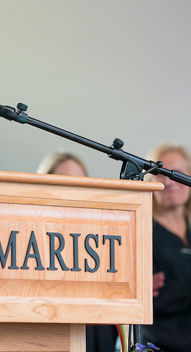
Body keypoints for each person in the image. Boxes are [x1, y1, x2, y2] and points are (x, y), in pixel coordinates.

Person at [38, 151, 118, 352]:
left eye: (79, 181)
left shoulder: (103, 232)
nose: (73, 188)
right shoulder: (32, 232)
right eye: (64, 181)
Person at [141, 144, 191, 352]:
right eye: (160, 173)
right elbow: (151, 297)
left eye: (178, 173)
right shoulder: (140, 233)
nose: (169, 181)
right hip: (160, 344)